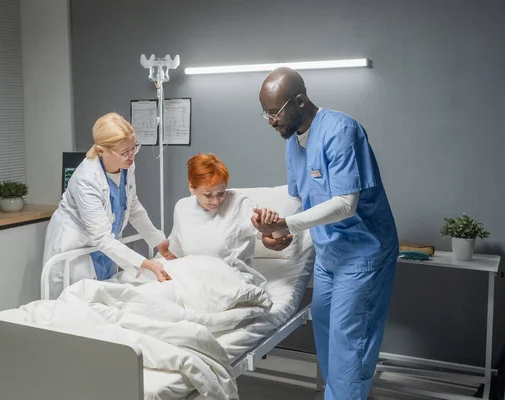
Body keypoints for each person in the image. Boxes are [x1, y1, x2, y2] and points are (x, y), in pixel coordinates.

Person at [252, 67, 399, 400]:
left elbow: (346, 204)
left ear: (300, 101)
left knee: (350, 342)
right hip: (329, 253)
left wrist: (288, 224)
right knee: (325, 329)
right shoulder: (293, 141)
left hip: (363, 254)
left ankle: (346, 394)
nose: (271, 121)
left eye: (274, 113)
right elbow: (300, 199)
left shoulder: (341, 130)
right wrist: (279, 235)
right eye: (266, 115)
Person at [43, 112, 173, 299]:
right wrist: (148, 264)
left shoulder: (126, 165)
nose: (131, 156)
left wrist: (158, 241)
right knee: (78, 306)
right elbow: (102, 239)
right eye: (124, 152)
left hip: (102, 247)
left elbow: (132, 205)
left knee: (107, 298)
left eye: (134, 148)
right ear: (101, 150)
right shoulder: (86, 180)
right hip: (77, 251)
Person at [165, 153, 278, 287]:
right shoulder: (182, 207)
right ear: (191, 188)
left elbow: (275, 237)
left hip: (233, 280)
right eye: (208, 195)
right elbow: (176, 251)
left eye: (221, 193)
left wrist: (272, 222)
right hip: (194, 278)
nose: (216, 200)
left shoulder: (239, 204)